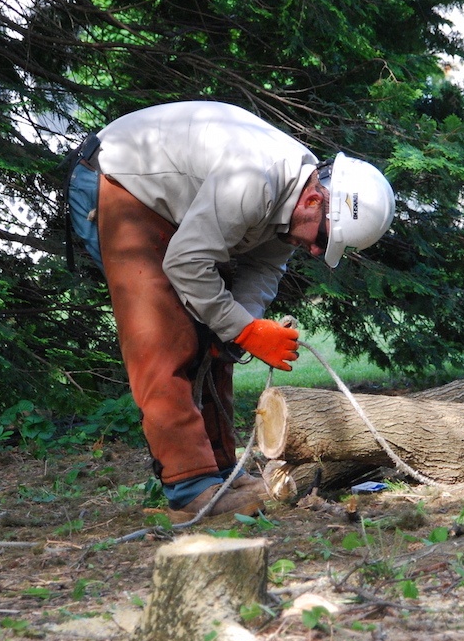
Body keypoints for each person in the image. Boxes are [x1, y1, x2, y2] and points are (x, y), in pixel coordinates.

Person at [66, 101, 395, 517]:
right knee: (165, 336)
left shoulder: (294, 198)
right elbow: (186, 264)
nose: (315, 250)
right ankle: (190, 487)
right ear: (314, 200)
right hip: (117, 182)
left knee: (214, 333)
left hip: (172, 207)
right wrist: (245, 329)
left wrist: (241, 326)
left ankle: (222, 471)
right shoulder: (255, 181)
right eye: (323, 238)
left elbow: (265, 266)